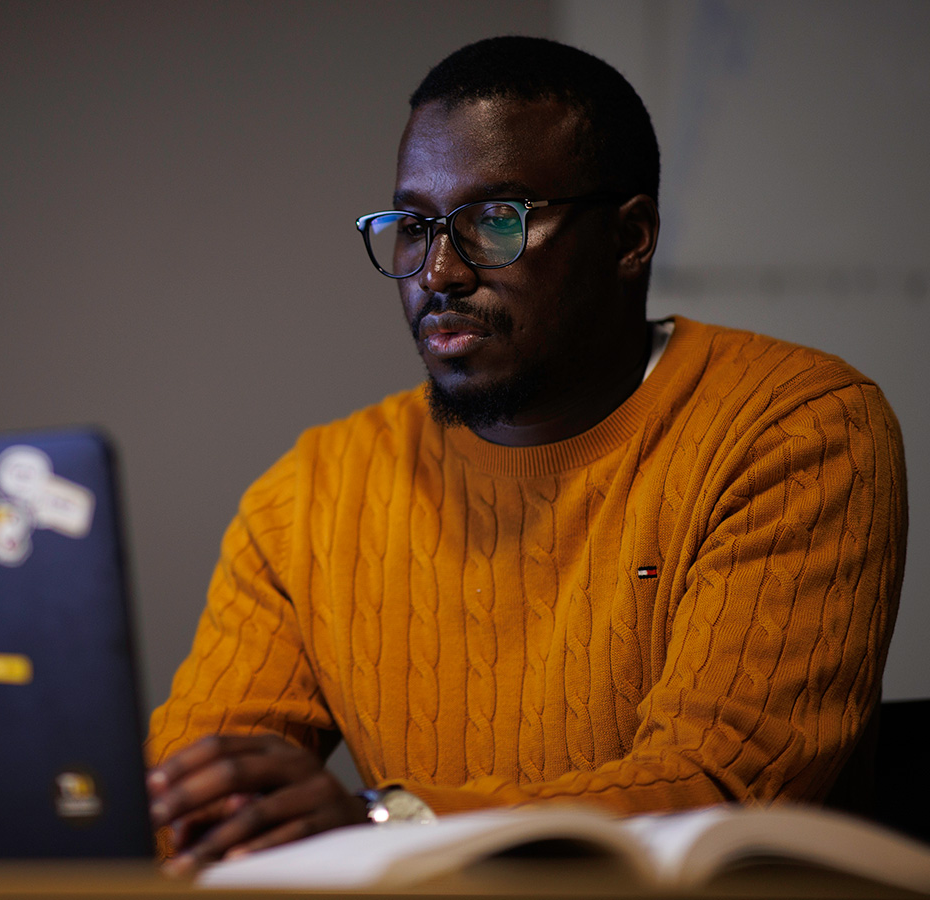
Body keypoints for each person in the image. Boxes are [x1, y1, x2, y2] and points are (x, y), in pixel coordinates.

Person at [144, 36, 907, 874]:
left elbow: (719, 783)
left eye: (494, 221)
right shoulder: (313, 493)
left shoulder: (791, 427)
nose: (439, 271)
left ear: (631, 237)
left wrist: (395, 822)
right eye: (413, 226)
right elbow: (193, 797)